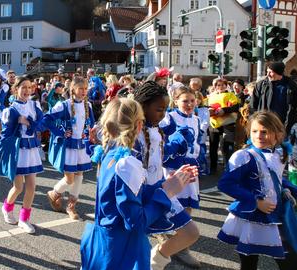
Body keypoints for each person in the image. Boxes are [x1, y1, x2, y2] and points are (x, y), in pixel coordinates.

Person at [80, 97, 198, 270]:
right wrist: (166, 193)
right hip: (123, 248)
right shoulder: (127, 164)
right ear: (140, 125)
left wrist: (167, 184)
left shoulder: (109, 153)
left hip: (102, 242)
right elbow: (136, 222)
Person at [131, 81, 200, 269]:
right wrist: (176, 142)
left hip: (161, 189)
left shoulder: (156, 129)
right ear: (142, 106)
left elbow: (158, 158)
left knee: (191, 232)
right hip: (140, 195)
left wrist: (174, 171)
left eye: (165, 109)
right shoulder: (133, 135)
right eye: (159, 109)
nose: (163, 114)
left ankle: (156, 261)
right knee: (136, 243)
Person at [218, 111, 297, 270]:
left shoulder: (278, 153)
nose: (259, 135)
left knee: (290, 260)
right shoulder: (244, 156)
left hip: (276, 213)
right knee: (249, 261)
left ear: (278, 133)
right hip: (251, 216)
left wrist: (291, 189)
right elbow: (226, 184)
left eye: (264, 131)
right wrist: (255, 201)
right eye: (254, 131)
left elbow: (274, 178)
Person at [0, 76, 44, 234]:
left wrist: (29, 123)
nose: (27, 90)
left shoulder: (35, 105)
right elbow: (5, 135)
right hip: (17, 150)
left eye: (29, 87)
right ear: (16, 89)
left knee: (32, 186)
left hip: (31, 149)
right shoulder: (10, 110)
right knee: (18, 187)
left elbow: (41, 123)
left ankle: (24, 219)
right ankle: (7, 207)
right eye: (23, 87)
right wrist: (16, 122)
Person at [159, 86, 204, 266]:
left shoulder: (197, 119)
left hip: (190, 165)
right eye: (185, 101)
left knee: (187, 205)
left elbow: (198, 143)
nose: (189, 104)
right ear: (175, 101)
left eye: (192, 101)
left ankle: (181, 244)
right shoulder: (169, 118)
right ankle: (171, 238)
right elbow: (161, 143)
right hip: (173, 167)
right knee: (171, 202)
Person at [44, 76, 95, 220]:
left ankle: (71, 206)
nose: (84, 91)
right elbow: (47, 119)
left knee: (79, 175)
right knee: (69, 178)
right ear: (73, 89)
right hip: (69, 146)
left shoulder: (88, 105)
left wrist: (93, 133)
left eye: (86, 89)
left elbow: (92, 123)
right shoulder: (64, 105)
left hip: (82, 144)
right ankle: (54, 193)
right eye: (81, 88)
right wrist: (61, 132)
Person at [251, 62, 297, 135]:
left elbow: (293, 107)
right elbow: (253, 106)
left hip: (282, 126)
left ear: (279, 73)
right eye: (267, 71)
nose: (267, 74)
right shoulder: (261, 85)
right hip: (263, 125)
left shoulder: (291, 86)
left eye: (270, 72)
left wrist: (286, 127)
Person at [208, 78, 240, 174]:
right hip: (214, 124)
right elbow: (207, 106)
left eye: (223, 85)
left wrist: (224, 110)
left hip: (228, 124)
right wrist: (210, 110)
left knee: (226, 146)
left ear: (226, 85)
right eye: (218, 85)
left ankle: (228, 167)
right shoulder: (211, 96)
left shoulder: (231, 95)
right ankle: (213, 168)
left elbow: (235, 107)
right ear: (215, 86)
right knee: (213, 146)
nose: (220, 87)